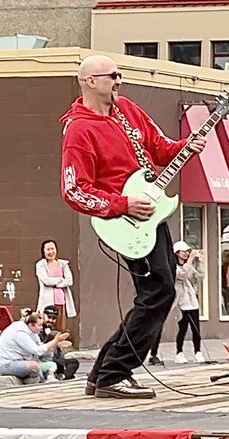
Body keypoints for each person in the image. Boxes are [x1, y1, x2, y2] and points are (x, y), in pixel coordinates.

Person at [58, 54, 204, 399]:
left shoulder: (127, 110)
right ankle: (114, 372)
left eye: (119, 74)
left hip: (151, 213)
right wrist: (123, 204)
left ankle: (104, 371)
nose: (119, 81)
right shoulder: (79, 129)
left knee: (159, 292)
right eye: (112, 76)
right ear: (90, 81)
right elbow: (74, 189)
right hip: (127, 221)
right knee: (158, 292)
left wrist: (186, 147)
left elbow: (160, 149)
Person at [0, 312, 69, 383]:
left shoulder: (32, 331)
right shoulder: (20, 332)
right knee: (34, 366)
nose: (41, 328)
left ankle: (47, 378)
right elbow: (37, 350)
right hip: (6, 365)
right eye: (39, 325)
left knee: (49, 363)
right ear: (31, 325)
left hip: (23, 361)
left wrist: (56, 344)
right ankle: (38, 381)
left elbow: (40, 347)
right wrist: (55, 340)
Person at [172, 241, 205, 364]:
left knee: (196, 328)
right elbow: (181, 275)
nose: (186, 253)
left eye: (188, 251)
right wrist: (190, 260)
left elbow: (199, 277)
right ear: (177, 253)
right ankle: (179, 352)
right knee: (183, 328)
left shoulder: (189, 265)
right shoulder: (173, 266)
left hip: (192, 301)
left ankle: (198, 352)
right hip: (181, 302)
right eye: (184, 251)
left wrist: (200, 262)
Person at [36, 240, 76, 333]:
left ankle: (58, 342)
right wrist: (60, 279)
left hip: (61, 301)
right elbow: (46, 281)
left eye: (53, 249)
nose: (51, 252)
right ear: (43, 251)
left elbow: (69, 281)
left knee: (60, 327)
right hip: (48, 301)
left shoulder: (63, 264)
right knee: (46, 327)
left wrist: (56, 283)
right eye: (48, 249)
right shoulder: (41, 265)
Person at [42, 305, 81, 380]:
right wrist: (55, 343)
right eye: (49, 317)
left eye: (54, 318)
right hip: (46, 358)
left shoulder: (51, 329)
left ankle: (64, 376)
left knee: (74, 362)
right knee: (59, 363)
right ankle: (65, 376)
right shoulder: (39, 329)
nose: (51, 320)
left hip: (55, 356)